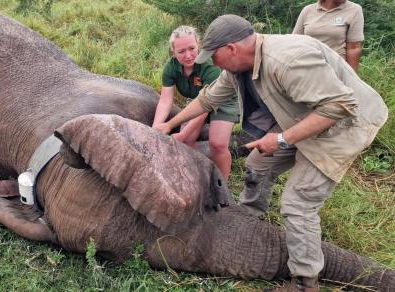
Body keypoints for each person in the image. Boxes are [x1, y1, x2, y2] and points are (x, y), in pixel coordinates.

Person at [154, 14, 387, 291]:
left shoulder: (287, 61)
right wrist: (168, 124)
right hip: (304, 117)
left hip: (346, 125)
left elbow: (340, 106)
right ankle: (248, 215)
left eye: (213, 56)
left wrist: (282, 139)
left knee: (298, 202)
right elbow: (208, 98)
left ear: (232, 49)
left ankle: (304, 282)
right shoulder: (239, 66)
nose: (210, 63)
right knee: (257, 164)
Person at [152, 25, 239, 180]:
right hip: (197, 101)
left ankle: (223, 186)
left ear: (198, 45)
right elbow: (165, 100)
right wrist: (155, 129)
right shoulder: (171, 68)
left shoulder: (210, 67)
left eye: (192, 48)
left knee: (218, 144)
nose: (188, 55)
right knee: (187, 140)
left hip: (222, 100)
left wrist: (183, 134)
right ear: (173, 52)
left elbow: (207, 104)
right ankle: (195, 171)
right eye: (181, 51)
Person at [293, 0, 364, 72]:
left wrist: (351, 78)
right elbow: (294, 42)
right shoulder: (307, 10)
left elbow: (353, 48)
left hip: (335, 71)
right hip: (308, 68)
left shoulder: (354, 10)